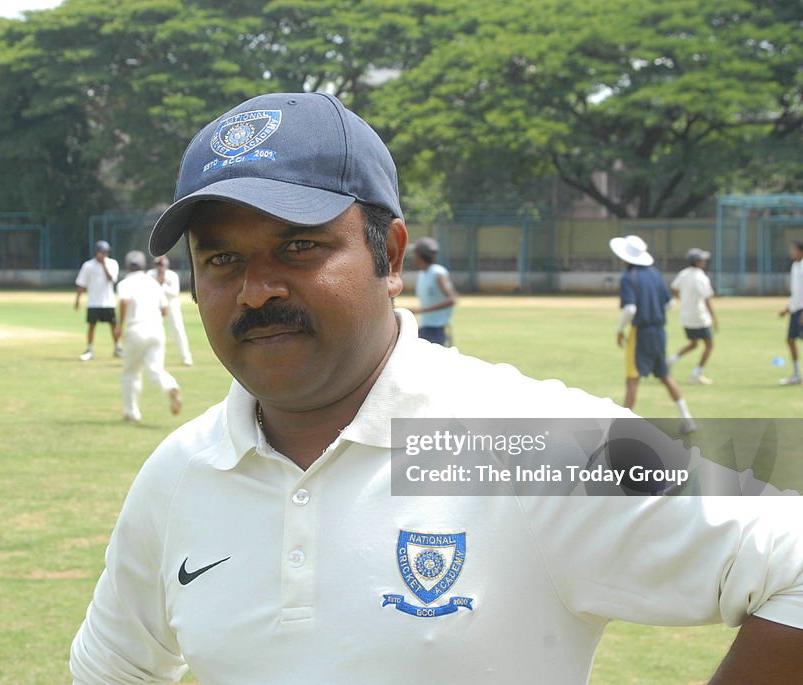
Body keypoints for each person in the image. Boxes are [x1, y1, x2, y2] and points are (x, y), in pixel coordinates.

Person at [71, 93, 803, 684]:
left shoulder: (524, 441)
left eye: (299, 247)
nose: (257, 290)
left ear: (389, 256)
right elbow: (111, 668)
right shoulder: (180, 472)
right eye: (222, 259)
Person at [611, 235, 696, 434]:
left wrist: (619, 330)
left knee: (632, 378)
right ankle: (687, 418)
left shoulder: (628, 277)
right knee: (665, 375)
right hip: (659, 332)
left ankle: (622, 427)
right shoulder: (655, 274)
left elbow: (630, 309)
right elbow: (669, 303)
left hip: (640, 333)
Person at [115, 250, 182, 422]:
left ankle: (131, 411)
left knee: (131, 372)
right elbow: (165, 310)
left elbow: (124, 301)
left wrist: (119, 326)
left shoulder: (125, 283)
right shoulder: (153, 283)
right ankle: (170, 386)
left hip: (135, 329)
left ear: (127, 266)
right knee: (155, 369)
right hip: (156, 329)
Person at [669, 247, 717, 384]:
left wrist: (682, 300)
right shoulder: (701, 277)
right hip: (699, 316)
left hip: (685, 315)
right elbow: (707, 299)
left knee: (694, 343)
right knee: (709, 345)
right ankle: (696, 374)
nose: (705, 261)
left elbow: (673, 287)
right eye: (702, 259)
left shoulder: (683, 274)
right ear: (696, 262)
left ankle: (670, 360)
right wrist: (713, 317)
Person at [74, 240, 122, 362]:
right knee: (91, 326)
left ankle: (117, 348)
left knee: (113, 325)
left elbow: (111, 279)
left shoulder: (112, 263)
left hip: (108, 301)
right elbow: (81, 284)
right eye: (101, 252)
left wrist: (104, 265)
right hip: (93, 302)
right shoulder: (88, 266)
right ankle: (89, 349)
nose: (104, 255)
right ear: (96, 252)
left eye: (106, 252)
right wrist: (77, 300)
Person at [408, 236, 457, 346]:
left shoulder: (438, 273)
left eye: (415, 254)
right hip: (427, 327)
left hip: (436, 329)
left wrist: (421, 310)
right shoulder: (422, 274)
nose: (413, 257)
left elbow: (452, 299)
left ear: (420, 255)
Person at [152, 254, 194, 365]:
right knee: (153, 331)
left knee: (178, 330)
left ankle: (186, 357)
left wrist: (161, 285)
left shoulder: (172, 275)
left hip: (171, 305)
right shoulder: (150, 275)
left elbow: (174, 292)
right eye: (158, 264)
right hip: (155, 307)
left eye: (162, 264)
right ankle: (153, 358)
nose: (160, 267)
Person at [777, 240, 803, 385]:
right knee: (791, 340)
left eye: (794, 249)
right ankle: (797, 374)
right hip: (795, 310)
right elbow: (797, 292)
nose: (791, 252)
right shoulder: (795, 266)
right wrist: (787, 309)